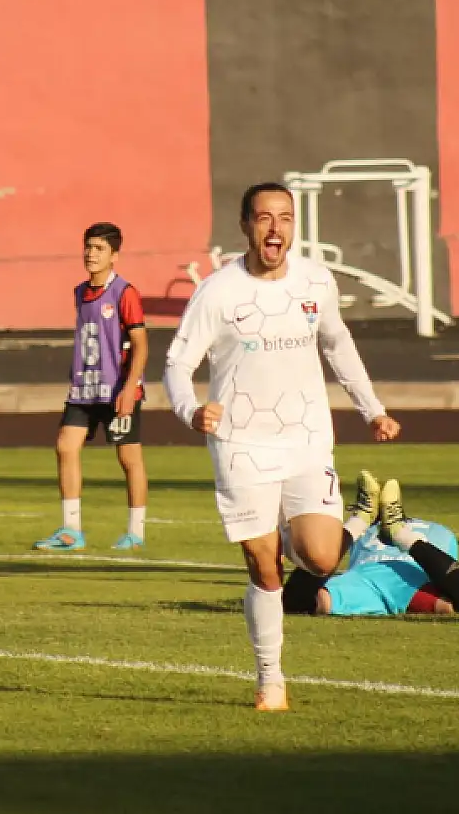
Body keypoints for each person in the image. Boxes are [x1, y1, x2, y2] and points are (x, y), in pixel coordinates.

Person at [165, 182, 401, 712]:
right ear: (245, 226)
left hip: (306, 438)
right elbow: (178, 364)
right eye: (265, 218)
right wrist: (189, 410)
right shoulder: (218, 292)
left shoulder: (316, 280)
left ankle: (291, 529)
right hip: (240, 443)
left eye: (286, 218)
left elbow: (339, 345)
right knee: (264, 567)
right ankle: (271, 678)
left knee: (320, 556)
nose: (276, 229)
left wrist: (373, 409)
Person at [34, 222, 150, 552]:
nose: (91, 253)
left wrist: (129, 389)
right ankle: (72, 531)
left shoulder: (125, 293)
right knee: (65, 447)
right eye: (88, 247)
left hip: (117, 391)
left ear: (115, 255)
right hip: (85, 390)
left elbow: (141, 343)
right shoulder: (79, 293)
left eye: (99, 248)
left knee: (129, 459)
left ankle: (135, 532)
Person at [283, 474, 459, 618]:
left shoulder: (439, 531)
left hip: (404, 578)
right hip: (370, 579)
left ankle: (373, 524)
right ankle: (365, 519)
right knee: (296, 602)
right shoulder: (441, 531)